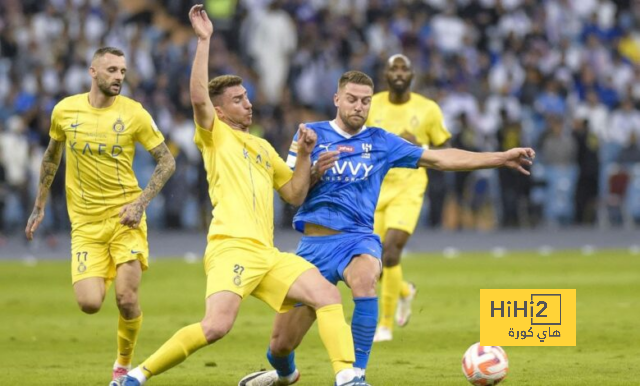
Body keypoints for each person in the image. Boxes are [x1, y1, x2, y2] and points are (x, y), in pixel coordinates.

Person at [111, 5, 367, 386]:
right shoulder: (214, 135)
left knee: (326, 294)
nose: (248, 103)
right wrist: (204, 40)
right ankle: (135, 376)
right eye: (237, 99)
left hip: (266, 253)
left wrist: (308, 159)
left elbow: (295, 195)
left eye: (247, 97)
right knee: (216, 327)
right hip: (231, 248)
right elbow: (198, 98)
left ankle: (348, 377)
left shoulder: (262, 147)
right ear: (219, 110)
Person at [240, 70, 534, 385]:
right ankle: (285, 374)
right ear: (337, 99)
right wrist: (311, 169)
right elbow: (292, 195)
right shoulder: (309, 135)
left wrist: (499, 157)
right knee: (280, 345)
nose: (358, 107)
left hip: (358, 240)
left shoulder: (381, 141)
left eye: (365, 101)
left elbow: (440, 159)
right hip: (313, 246)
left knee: (365, 279)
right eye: (352, 99)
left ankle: (355, 376)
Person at [25, 47, 176, 380]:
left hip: (126, 218)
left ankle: (122, 365)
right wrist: (39, 204)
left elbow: (168, 160)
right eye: (111, 70)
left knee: (125, 297)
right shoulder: (65, 111)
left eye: (123, 71)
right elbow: (51, 157)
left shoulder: (135, 113)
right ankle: (107, 265)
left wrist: (140, 203)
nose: (119, 77)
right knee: (90, 303)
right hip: (86, 225)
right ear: (93, 72)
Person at [366, 54, 452, 342]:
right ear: (385, 74)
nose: (400, 73)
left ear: (413, 74)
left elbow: (445, 147)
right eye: (394, 68)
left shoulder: (427, 109)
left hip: (409, 187)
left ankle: (385, 325)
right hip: (375, 188)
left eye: (405, 68)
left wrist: (420, 145)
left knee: (391, 251)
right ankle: (404, 290)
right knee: (371, 263)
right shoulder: (371, 104)